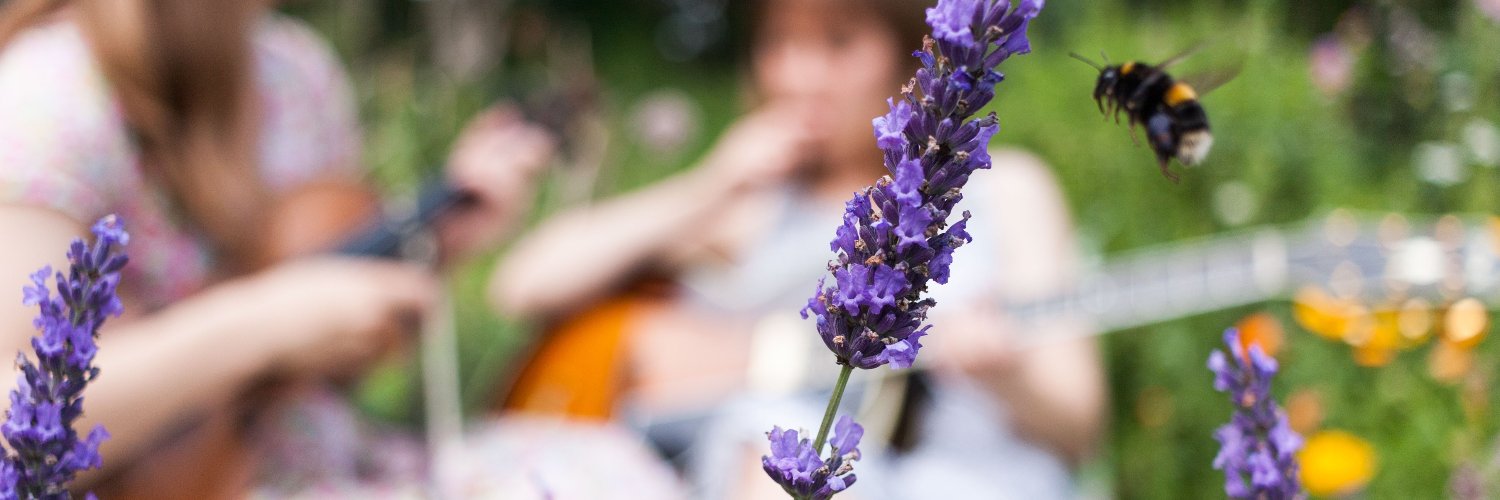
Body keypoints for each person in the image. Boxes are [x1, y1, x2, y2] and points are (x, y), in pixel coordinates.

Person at [492, 0, 1107, 497]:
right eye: (777, 43)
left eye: (837, 43)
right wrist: (710, 184)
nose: (798, 74)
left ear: (911, 54)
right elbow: (519, 285)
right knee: (756, 444)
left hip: (977, 481)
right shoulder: (753, 209)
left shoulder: (1009, 188)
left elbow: (1081, 426)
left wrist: (1006, 375)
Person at [0, 0, 554, 496]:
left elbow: (318, 373)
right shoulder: (47, 98)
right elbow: (18, 430)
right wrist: (267, 324)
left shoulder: (295, 71)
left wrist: (430, 245)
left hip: (323, 458)